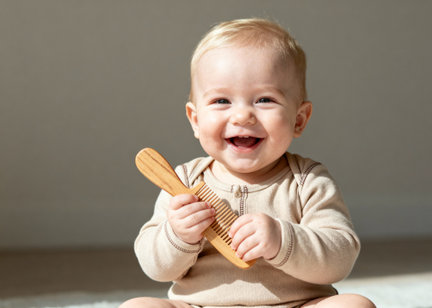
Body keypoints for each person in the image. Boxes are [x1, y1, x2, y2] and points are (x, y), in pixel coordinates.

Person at [121, 18, 375, 308]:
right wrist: (178, 235)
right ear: (195, 119)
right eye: (221, 101)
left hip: (295, 305)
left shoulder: (308, 181)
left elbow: (340, 258)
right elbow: (155, 268)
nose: (242, 116)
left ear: (299, 119)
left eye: (264, 99)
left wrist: (282, 239)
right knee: (137, 306)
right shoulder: (183, 182)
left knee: (355, 305)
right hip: (199, 306)